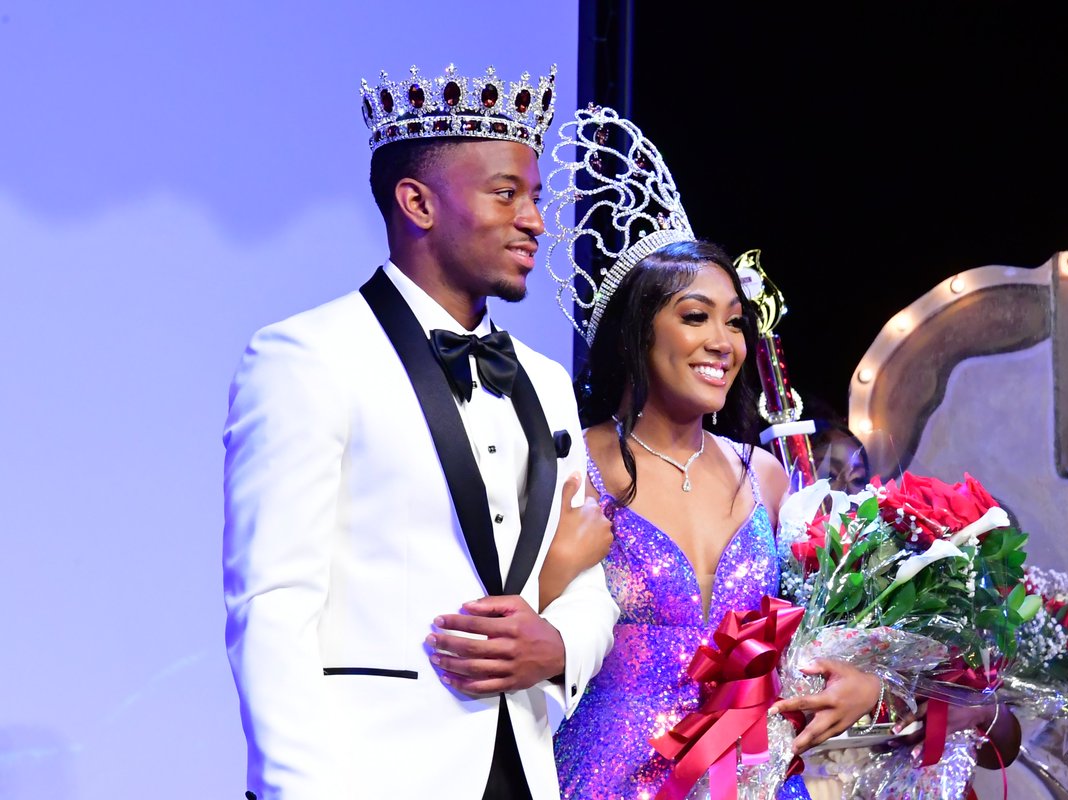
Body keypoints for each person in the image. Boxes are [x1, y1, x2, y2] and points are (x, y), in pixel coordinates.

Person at [222, 63, 619, 800]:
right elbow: (271, 607)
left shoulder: (544, 381)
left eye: (534, 197)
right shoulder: (307, 357)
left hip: (524, 770)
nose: (535, 219)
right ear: (418, 203)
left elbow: (588, 582)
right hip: (372, 776)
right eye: (506, 194)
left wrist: (559, 643)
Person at [535, 106, 883, 799]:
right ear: (638, 333)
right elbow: (528, 630)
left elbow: (823, 637)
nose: (724, 341)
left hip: (754, 780)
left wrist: (868, 680)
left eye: (733, 322)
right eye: (695, 317)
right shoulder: (575, 467)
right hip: (609, 781)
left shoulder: (767, 476)